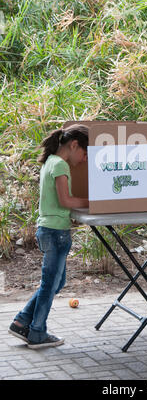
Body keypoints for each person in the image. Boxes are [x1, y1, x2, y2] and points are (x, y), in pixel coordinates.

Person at [8, 124, 89, 349]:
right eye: (84, 153)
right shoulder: (60, 165)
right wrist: (92, 202)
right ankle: (37, 333)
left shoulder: (50, 162)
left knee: (56, 281)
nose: (84, 159)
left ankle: (22, 321)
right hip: (55, 232)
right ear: (74, 145)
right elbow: (66, 201)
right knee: (49, 284)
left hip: (49, 229)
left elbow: (59, 202)